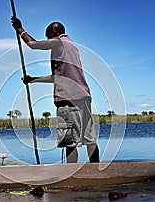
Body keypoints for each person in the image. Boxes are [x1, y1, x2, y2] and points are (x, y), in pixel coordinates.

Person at [11, 17, 100, 163]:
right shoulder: (72, 47)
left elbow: (33, 45)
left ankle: (71, 177)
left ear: (54, 33)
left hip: (68, 99)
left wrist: (20, 29)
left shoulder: (59, 42)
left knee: (69, 141)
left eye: (48, 37)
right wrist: (32, 79)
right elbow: (57, 77)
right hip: (83, 97)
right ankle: (96, 172)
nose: (48, 41)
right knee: (90, 139)